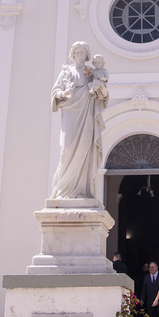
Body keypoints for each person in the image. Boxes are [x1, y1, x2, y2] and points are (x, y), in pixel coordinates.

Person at [49, 42, 102, 200]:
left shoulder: (91, 73)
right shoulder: (66, 72)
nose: (79, 54)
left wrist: (97, 85)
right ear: (73, 54)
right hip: (70, 112)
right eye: (77, 51)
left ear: (87, 55)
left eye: (82, 51)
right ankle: (62, 191)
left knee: (84, 151)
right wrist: (64, 94)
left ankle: (80, 191)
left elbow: (102, 92)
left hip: (86, 113)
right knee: (67, 148)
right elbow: (55, 91)